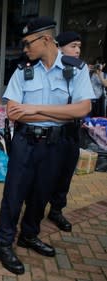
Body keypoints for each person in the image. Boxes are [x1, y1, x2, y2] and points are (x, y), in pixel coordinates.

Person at [0, 17, 94, 275]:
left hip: (56, 144)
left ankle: (29, 234)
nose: (25, 49)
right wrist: (62, 113)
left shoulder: (76, 69)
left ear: (46, 39)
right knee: (14, 195)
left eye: (28, 43)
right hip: (25, 142)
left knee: (42, 193)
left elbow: (83, 109)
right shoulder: (22, 70)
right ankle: (4, 244)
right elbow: (14, 113)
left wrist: (36, 107)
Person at [45, 31, 83, 232]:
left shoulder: (80, 71)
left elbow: (85, 104)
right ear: (60, 47)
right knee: (47, 174)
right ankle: (35, 211)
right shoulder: (49, 70)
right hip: (52, 133)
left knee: (65, 174)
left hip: (72, 132)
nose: (77, 51)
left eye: (79, 47)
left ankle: (57, 210)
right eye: (73, 46)